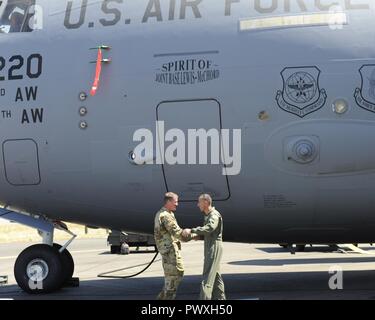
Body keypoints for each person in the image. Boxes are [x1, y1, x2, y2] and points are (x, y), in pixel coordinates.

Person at [183, 194, 226, 300]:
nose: (198, 205)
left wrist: (192, 230)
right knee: (215, 277)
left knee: (207, 278)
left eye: (199, 202)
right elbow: (210, 232)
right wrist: (198, 236)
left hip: (213, 247)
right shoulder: (208, 215)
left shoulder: (214, 215)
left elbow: (210, 228)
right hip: (210, 246)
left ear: (206, 202)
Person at [154, 192, 187, 300]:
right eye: (175, 202)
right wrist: (194, 235)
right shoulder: (166, 216)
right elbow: (177, 232)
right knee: (173, 279)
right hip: (169, 252)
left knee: (177, 274)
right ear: (168, 202)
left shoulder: (167, 213)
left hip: (170, 250)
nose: (177, 204)